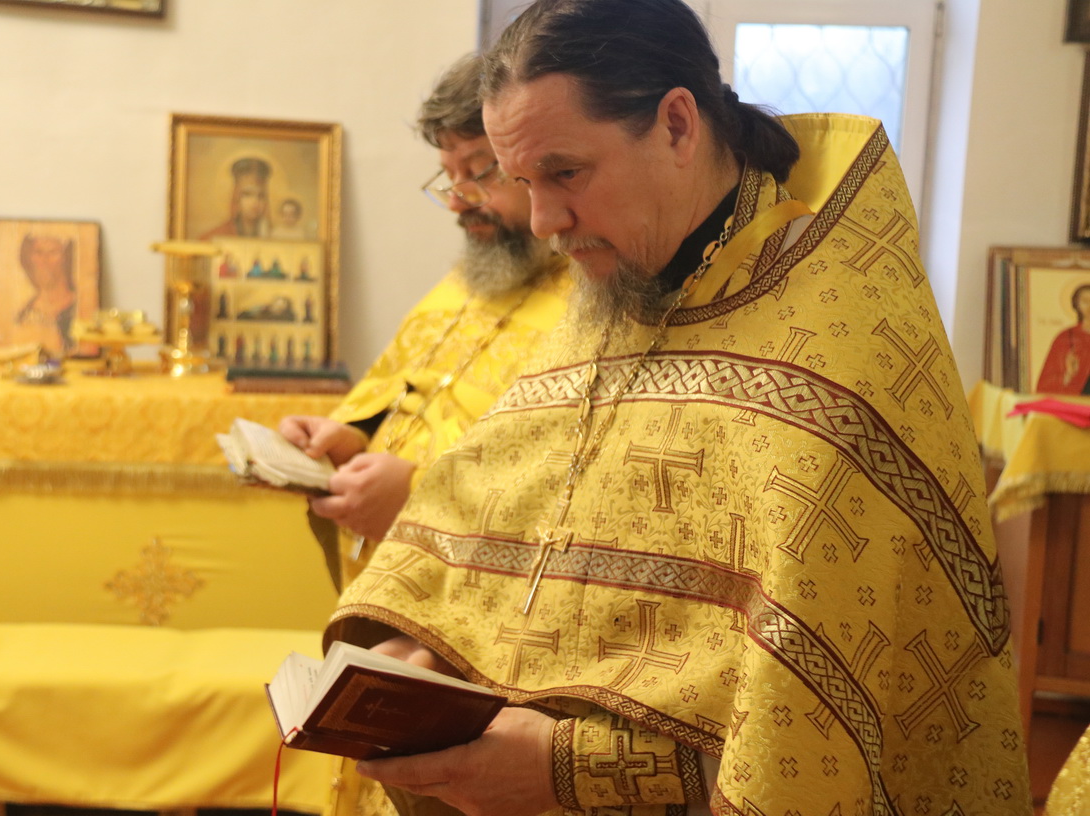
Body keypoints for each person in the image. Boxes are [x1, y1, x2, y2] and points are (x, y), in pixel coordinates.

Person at [324, 2, 1032, 815]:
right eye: (522, 183)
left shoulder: (834, 354)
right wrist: (423, 646)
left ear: (675, 124)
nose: (545, 223)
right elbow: (502, 517)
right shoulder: (617, 293)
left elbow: (829, 736)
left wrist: (570, 768)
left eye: (565, 173)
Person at [278, 53, 571, 816]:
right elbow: (396, 392)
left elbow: (563, 475)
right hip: (395, 602)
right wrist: (344, 438)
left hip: (484, 630)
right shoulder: (469, 276)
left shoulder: (595, 296)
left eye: (478, 172)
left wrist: (418, 497)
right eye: (448, 176)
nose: (458, 200)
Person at [10, 233, 78, 357]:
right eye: (38, 252)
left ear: (65, 258)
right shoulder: (26, 312)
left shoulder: (78, 308)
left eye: (53, 252)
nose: (44, 260)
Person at [1034, 283, 1090, 394]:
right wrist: (1068, 374)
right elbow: (1044, 386)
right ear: (1076, 305)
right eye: (1085, 301)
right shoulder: (1065, 338)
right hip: (1073, 400)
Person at [199, 157, 272, 239]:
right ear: (236, 197)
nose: (255, 201)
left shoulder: (272, 235)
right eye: (247, 194)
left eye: (261, 196)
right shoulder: (216, 236)